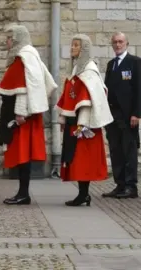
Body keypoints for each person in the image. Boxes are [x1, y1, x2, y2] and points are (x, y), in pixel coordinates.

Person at [0, 25, 57, 205]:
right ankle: (23, 193)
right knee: (23, 156)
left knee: (23, 155)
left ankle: (23, 194)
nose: (7, 42)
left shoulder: (24, 57)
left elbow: (24, 89)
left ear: (16, 39)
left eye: (9, 38)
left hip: (22, 118)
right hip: (25, 116)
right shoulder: (30, 56)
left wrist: (21, 114)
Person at [57, 34, 113, 206]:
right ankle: (83, 195)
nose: (72, 48)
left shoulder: (89, 72)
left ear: (84, 49)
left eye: (76, 45)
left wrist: (82, 124)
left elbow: (90, 98)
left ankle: (84, 194)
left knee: (83, 160)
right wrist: (64, 118)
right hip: (74, 122)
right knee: (75, 159)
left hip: (84, 125)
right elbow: (69, 95)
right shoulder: (76, 70)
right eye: (72, 45)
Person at [102, 32, 141, 199]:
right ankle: (119, 184)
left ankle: (130, 185)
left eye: (120, 42)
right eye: (115, 42)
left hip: (128, 115)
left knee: (129, 150)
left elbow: (139, 89)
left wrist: (136, 113)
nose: (117, 45)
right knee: (115, 150)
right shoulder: (111, 64)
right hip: (112, 115)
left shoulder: (135, 62)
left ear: (127, 43)